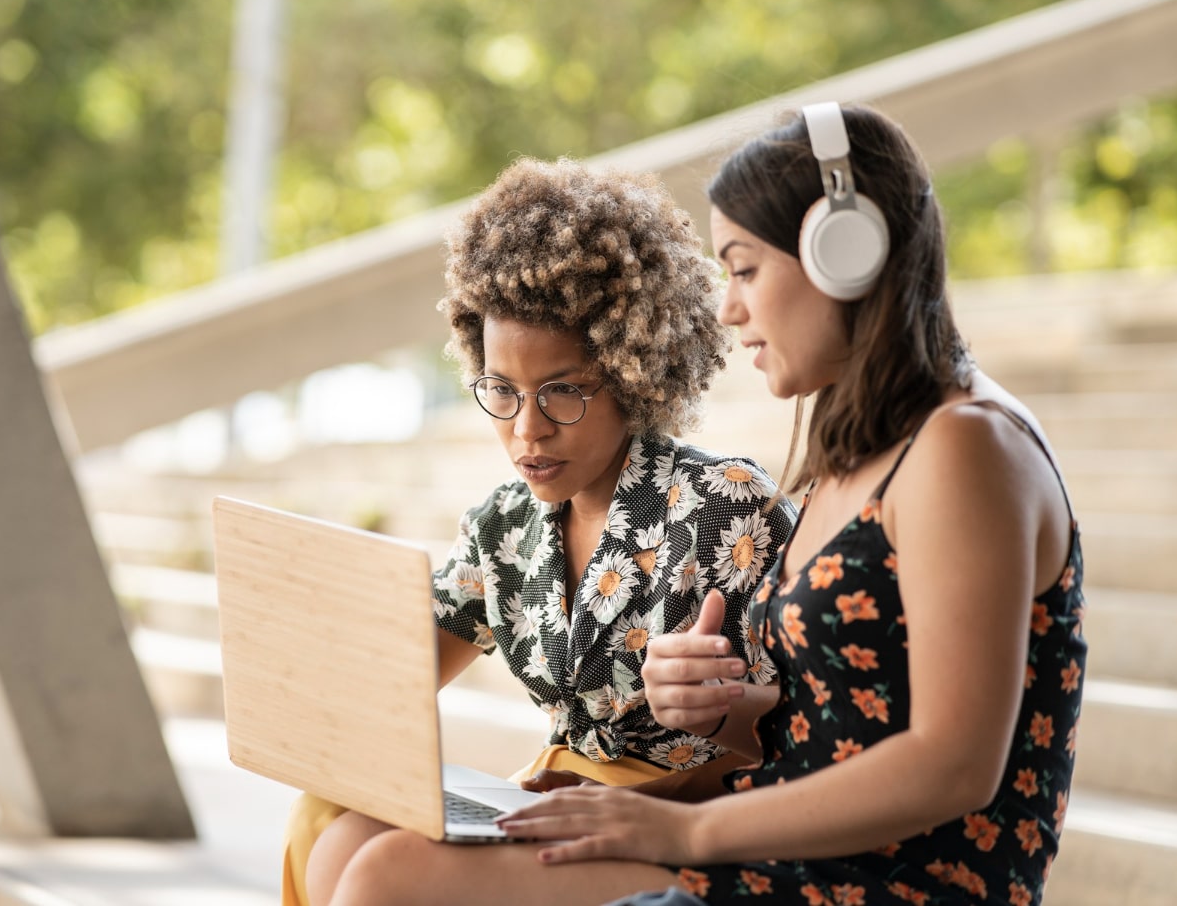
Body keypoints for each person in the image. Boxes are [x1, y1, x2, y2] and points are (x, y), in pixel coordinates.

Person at [319, 103, 1086, 906]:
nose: (728, 307)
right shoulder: (862, 451)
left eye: (745, 267)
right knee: (357, 847)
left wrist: (682, 829)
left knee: (391, 880)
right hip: (792, 848)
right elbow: (827, 730)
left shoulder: (964, 447)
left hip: (882, 882)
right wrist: (721, 708)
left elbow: (954, 765)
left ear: (845, 254)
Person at [287, 157, 798, 906]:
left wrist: (726, 703)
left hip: (687, 820)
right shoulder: (505, 527)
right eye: (502, 391)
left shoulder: (725, 508)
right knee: (330, 822)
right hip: (558, 800)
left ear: (633, 371)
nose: (527, 431)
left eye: (562, 391)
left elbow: (810, 731)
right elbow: (389, 687)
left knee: (378, 875)